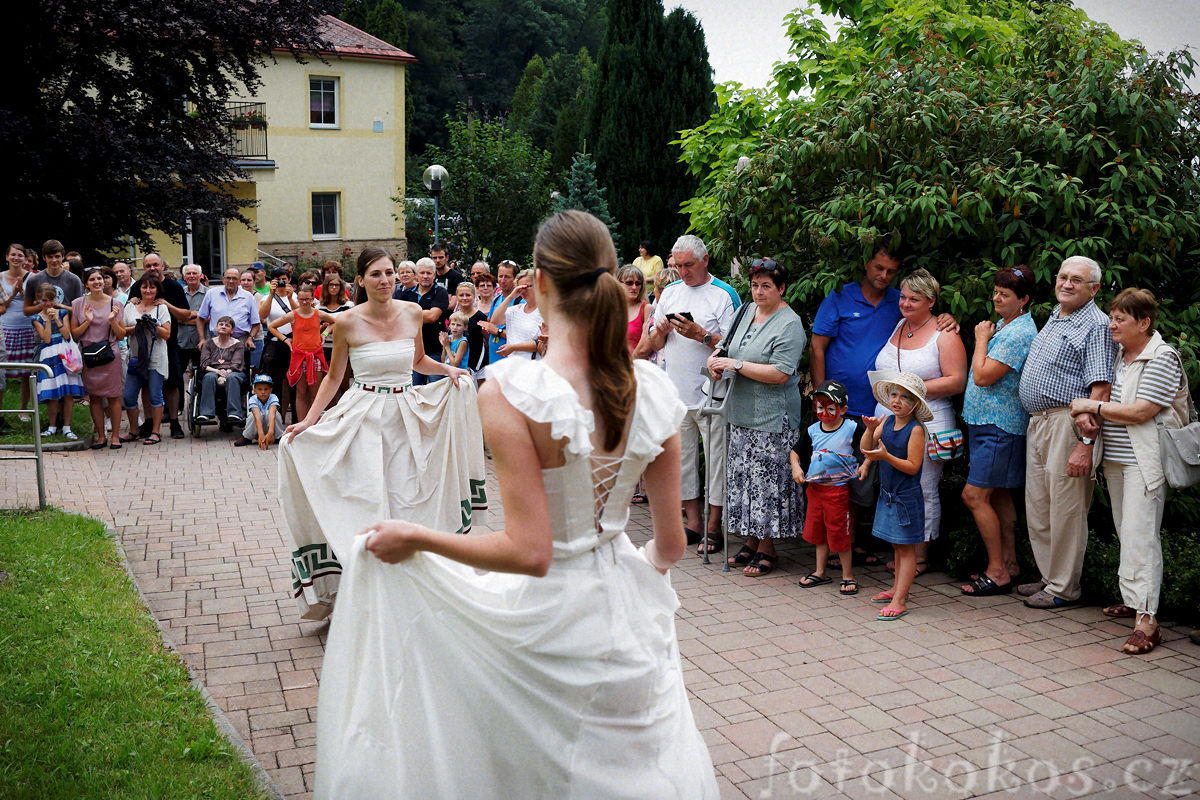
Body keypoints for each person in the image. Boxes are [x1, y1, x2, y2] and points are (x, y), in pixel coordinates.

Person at [307, 213, 718, 798]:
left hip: (551, 617)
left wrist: (417, 538)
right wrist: (627, 574)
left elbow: (531, 552)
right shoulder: (652, 390)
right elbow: (672, 545)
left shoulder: (512, 389)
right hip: (629, 609)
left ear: (540, 283)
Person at [278, 246, 477, 620]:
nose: (385, 280)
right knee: (364, 500)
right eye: (376, 275)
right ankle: (362, 590)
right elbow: (335, 376)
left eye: (389, 273)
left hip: (405, 416)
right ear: (361, 280)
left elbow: (418, 360)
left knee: (406, 498)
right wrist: (309, 422)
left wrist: (448, 371)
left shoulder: (413, 312)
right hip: (362, 419)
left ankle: (409, 587)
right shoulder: (347, 322)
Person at [810, 247, 956, 566]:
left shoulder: (902, 307)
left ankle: (898, 552)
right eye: (879, 268)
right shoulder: (848, 300)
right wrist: (821, 396)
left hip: (906, 418)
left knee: (900, 484)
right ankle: (846, 545)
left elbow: (954, 375)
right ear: (866, 264)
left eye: (891, 271)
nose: (884, 276)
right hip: (861, 412)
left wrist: (947, 318)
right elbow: (818, 347)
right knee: (848, 478)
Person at [1069, 289, 1189, 654]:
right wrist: (1090, 418)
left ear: (1145, 322)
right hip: (1118, 460)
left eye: (1121, 319)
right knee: (1127, 532)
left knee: (1141, 537)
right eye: (1112, 317)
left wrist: (1091, 405)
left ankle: (1148, 621)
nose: (1112, 324)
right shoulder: (1122, 355)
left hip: (1145, 462)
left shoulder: (1161, 357)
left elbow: (1141, 412)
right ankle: (1136, 601)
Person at [1017, 256, 1116, 610]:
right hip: (1040, 422)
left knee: (1067, 507)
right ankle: (1049, 577)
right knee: (1040, 505)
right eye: (1063, 277)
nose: (1067, 284)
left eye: (1077, 280)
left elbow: (1100, 390)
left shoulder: (1097, 325)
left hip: (1067, 423)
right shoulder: (1057, 316)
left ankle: (1064, 587)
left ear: (1094, 289)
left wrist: (1085, 444)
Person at [706, 259, 807, 571]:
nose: (759, 292)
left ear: (782, 288)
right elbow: (725, 347)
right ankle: (751, 541)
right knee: (746, 483)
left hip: (773, 418)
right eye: (754, 285)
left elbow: (780, 373)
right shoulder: (745, 311)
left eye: (766, 286)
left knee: (767, 485)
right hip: (740, 413)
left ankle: (768, 547)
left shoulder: (790, 324)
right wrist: (715, 360)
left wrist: (735, 365)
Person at [872, 268, 967, 574]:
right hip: (890, 419)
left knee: (922, 486)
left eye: (914, 299)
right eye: (903, 297)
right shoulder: (900, 324)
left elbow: (957, 381)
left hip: (929, 420)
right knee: (892, 484)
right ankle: (901, 549)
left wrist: (912, 390)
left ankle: (921, 554)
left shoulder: (945, 333)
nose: (906, 303)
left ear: (931, 301)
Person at [644, 235, 735, 547]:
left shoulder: (723, 294)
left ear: (706, 260)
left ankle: (715, 525)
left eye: (689, 265)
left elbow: (736, 346)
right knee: (681, 463)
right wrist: (662, 331)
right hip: (676, 394)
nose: (683, 271)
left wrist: (702, 334)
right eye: (678, 265)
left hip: (714, 394)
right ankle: (693, 523)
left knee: (716, 462)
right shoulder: (669, 292)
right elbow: (652, 345)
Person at [960, 266, 1038, 596]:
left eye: (1004, 295)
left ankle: (997, 572)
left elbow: (983, 376)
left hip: (999, 427)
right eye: (995, 291)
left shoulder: (1020, 332)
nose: (996, 298)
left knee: (974, 495)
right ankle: (1010, 563)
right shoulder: (1008, 325)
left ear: (1024, 300)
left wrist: (980, 339)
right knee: (1001, 494)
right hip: (988, 423)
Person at [861, 371, 931, 620]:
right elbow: (866, 449)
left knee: (906, 549)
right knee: (896, 545)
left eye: (905, 397)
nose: (897, 400)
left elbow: (913, 467)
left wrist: (887, 457)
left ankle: (901, 599)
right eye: (894, 394)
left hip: (905, 498)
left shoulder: (916, 431)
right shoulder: (887, 421)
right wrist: (870, 430)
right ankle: (896, 589)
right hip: (888, 495)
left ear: (915, 404)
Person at [792, 380, 866, 595]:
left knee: (839, 532)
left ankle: (847, 575)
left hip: (838, 490)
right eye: (820, 406)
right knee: (818, 532)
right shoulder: (813, 430)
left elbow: (868, 447)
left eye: (830, 408)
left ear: (843, 409)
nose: (824, 412)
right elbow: (796, 452)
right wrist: (796, 468)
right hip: (815, 490)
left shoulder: (852, 427)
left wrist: (865, 465)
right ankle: (819, 571)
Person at [129, 254, 190, 439]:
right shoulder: (137, 286)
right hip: (142, 347)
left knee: (171, 385)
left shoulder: (173, 286)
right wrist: (131, 302)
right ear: (143, 267)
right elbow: (129, 311)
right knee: (146, 385)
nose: (152, 268)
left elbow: (186, 314)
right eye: (148, 265)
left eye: (155, 264)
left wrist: (167, 304)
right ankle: (148, 423)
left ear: (162, 265)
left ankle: (174, 422)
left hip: (168, 344)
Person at [71, 267, 126, 449]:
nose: (97, 282)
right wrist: (87, 320)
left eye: (100, 279)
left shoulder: (115, 304)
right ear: (86, 283)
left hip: (110, 354)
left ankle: (116, 436)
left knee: (114, 396)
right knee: (94, 397)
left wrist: (112, 320)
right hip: (89, 354)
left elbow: (121, 335)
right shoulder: (78, 304)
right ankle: (101, 436)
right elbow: (75, 333)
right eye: (92, 279)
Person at [267, 285, 336, 421]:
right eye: (301, 299)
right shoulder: (293, 314)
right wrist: (286, 340)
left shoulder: (318, 314)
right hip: (298, 357)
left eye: (307, 299)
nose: (304, 302)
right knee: (301, 392)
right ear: (297, 299)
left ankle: (314, 424)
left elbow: (334, 322)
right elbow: (271, 326)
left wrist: (324, 334)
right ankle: (301, 424)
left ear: (312, 299)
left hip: (315, 356)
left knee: (315, 393)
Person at [120, 276, 172, 444]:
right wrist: (137, 327)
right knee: (128, 396)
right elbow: (121, 332)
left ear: (157, 290)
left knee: (156, 396)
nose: (148, 291)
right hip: (135, 358)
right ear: (139, 289)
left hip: (156, 357)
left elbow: (167, 334)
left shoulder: (161, 308)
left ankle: (155, 432)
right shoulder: (130, 307)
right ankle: (134, 430)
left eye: (152, 287)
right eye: (144, 287)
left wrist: (152, 325)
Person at [31, 283, 85, 438]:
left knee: (68, 392)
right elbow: (46, 339)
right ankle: (52, 426)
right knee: (53, 395)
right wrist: (48, 320)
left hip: (65, 354)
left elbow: (67, 335)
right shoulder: (36, 318)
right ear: (38, 300)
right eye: (44, 300)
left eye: (51, 299)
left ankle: (67, 426)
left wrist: (57, 319)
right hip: (49, 355)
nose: (48, 304)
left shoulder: (62, 313)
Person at [401, 258, 451, 384]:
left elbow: (432, 316)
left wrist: (405, 315)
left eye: (429, 273)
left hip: (435, 351)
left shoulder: (440, 292)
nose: (425, 276)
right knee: (413, 392)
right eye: (422, 273)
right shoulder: (405, 294)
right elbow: (392, 315)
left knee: (437, 391)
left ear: (434, 275)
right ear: (416, 275)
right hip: (411, 351)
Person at [1, 243, 36, 419]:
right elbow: (1, 307)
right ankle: (1, 412)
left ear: (25, 259)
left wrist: (22, 292)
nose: (16, 258)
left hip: (28, 328)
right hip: (5, 329)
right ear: (7, 257)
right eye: (13, 255)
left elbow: (36, 304)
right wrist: (14, 293)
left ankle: (23, 409)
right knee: (2, 371)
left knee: (27, 372)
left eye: (20, 255)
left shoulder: (32, 278)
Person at [259, 269, 296, 422]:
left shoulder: (295, 296)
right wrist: (271, 294)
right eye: (277, 280)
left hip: (293, 343)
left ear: (289, 280)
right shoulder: (266, 297)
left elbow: (299, 314)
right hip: (274, 343)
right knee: (275, 382)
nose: (281, 283)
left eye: (283, 279)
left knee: (293, 383)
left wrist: (290, 297)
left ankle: (297, 419)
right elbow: (262, 315)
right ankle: (276, 421)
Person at [195, 315, 247, 425]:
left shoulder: (238, 344)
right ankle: (206, 413)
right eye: (221, 324)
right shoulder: (208, 343)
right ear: (216, 327)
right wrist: (218, 372)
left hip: (234, 372)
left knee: (232, 378)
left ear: (232, 330)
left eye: (227, 325)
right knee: (209, 377)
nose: (223, 327)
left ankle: (234, 413)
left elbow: (236, 364)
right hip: (213, 371)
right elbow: (204, 364)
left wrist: (225, 375)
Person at [23, 239, 83, 317]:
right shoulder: (34, 280)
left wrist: (61, 306)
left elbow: (80, 311)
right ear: (44, 258)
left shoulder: (74, 280)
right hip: (42, 327)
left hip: (67, 327)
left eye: (57, 256)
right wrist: (43, 305)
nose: (54, 260)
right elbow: (26, 311)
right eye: (50, 257)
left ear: (63, 257)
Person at [234, 374, 285, 448]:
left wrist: (270, 433)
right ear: (254, 390)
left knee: (275, 414)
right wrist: (261, 435)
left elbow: (272, 415)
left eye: (266, 389)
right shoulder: (253, 399)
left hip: (272, 430)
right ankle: (247, 437)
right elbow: (257, 416)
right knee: (252, 415)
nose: (263, 392)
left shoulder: (273, 397)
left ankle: (278, 437)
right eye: (260, 389)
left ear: (271, 390)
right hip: (257, 431)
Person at [178, 264, 207, 381]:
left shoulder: (209, 294)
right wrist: (197, 315)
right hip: (181, 342)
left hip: (202, 343)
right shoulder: (179, 293)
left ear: (200, 276)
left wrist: (185, 317)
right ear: (184, 277)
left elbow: (209, 318)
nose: (191, 276)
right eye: (188, 273)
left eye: (194, 273)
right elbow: (176, 317)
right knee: (177, 377)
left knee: (202, 377)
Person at [452, 282, 488, 375]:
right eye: (461, 295)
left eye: (468, 295)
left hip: (477, 364)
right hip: (458, 363)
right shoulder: (454, 316)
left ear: (474, 297)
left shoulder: (480, 316)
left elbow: (488, 340)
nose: (464, 298)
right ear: (457, 297)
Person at [617, 264, 650, 354]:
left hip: (635, 364)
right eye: (629, 283)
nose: (634, 287)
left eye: (638, 283)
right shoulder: (611, 308)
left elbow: (646, 347)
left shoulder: (646, 309)